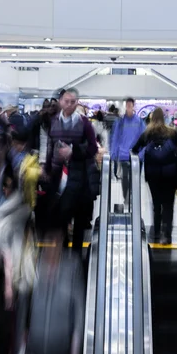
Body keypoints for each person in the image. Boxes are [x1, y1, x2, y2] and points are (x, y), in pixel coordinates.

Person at [44, 88, 99, 257]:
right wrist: (46, 169)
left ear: (77, 103)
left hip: (79, 177)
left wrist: (73, 151)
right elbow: (49, 147)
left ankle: (75, 254)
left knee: (79, 219)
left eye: (73, 102)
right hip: (58, 177)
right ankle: (63, 251)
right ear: (60, 102)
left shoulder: (84, 123)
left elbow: (92, 148)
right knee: (60, 217)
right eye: (66, 101)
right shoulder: (53, 121)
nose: (69, 105)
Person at [132, 107, 177, 244]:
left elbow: (135, 149)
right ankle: (167, 235)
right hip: (170, 172)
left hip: (153, 173)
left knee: (156, 204)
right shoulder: (172, 132)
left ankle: (156, 233)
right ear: (164, 118)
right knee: (168, 204)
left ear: (151, 118)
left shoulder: (147, 133)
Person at [110, 97, 145, 205]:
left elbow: (144, 138)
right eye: (127, 105)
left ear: (133, 106)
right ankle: (126, 197)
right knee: (125, 178)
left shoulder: (139, 122)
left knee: (135, 178)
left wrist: (142, 153)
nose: (128, 107)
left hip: (136, 155)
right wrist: (113, 152)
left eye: (130, 105)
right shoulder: (120, 121)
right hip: (124, 154)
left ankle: (133, 196)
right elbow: (115, 137)